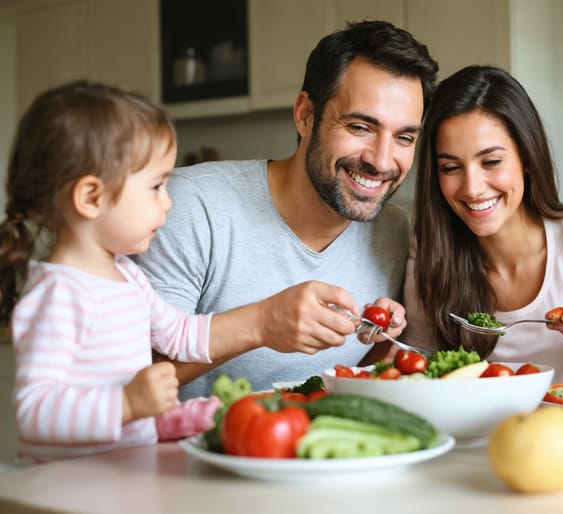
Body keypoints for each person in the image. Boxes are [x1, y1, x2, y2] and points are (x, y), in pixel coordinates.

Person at [131, 20, 439, 398]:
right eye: (360, 127)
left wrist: (378, 341)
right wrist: (261, 323)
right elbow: (130, 380)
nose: (381, 160)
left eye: (404, 137)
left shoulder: (390, 229)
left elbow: (339, 379)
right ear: (305, 115)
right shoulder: (192, 205)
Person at [0, 81, 221, 463]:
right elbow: (33, 412)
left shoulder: (126, 275)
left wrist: (267, 324)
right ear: (91, 197)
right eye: (156, 186)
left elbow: (180, 333)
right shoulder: (59, 295)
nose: (167, 202)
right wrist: (127, 403)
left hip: (119, 473)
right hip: (66, 485)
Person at [402, 65, 563, 384]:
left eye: (491, 162)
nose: (472, 188)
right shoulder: (430, 248)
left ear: (528, 158)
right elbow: (418, 368)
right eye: (451, 167)